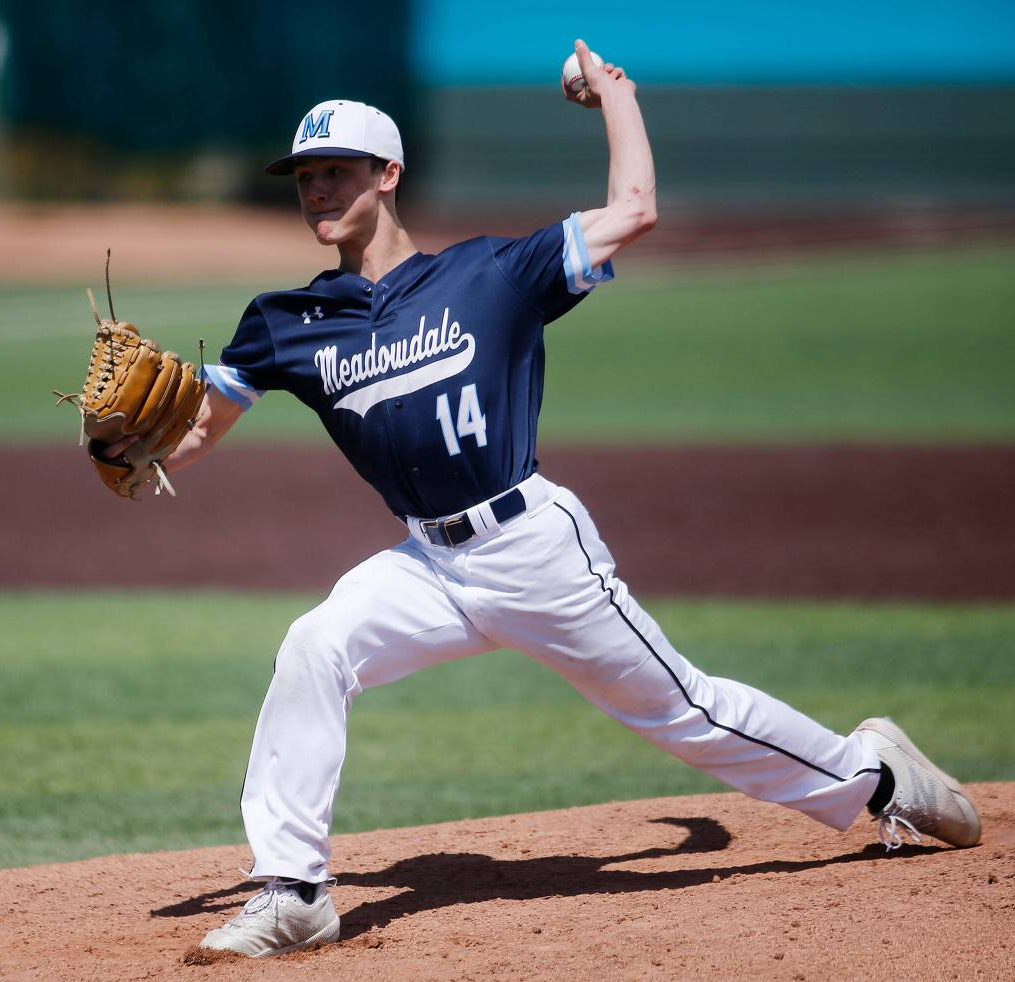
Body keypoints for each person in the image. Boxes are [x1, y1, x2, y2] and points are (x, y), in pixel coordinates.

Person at [113, 42, 981, 958]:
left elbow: (635, 210)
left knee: (687, 713)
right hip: (427, 564)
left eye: (338, 172)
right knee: (314, 643)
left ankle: (876, 777)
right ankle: (294, 892)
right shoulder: (287, 321)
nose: (318, 190)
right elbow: (195, 431)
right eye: (305, 176)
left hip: (533, 548)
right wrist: (125, 446)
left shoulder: (491, 273)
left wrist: (615, 94)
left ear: (389, 173)